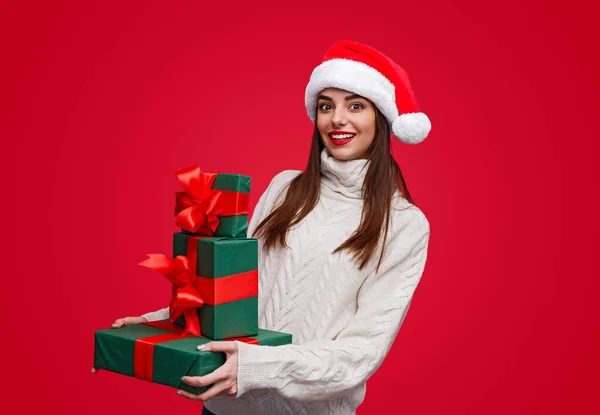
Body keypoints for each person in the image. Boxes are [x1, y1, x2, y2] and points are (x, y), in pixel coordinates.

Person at [98, 40, 432, 415]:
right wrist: (158, 326)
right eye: (326, 106)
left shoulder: (404, 224)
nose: (337, 119)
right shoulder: (285, 188)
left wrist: (256, 368)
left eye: (356, 105)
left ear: (382, 118)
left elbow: (361, 354)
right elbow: (236, 294)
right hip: (225, 407)